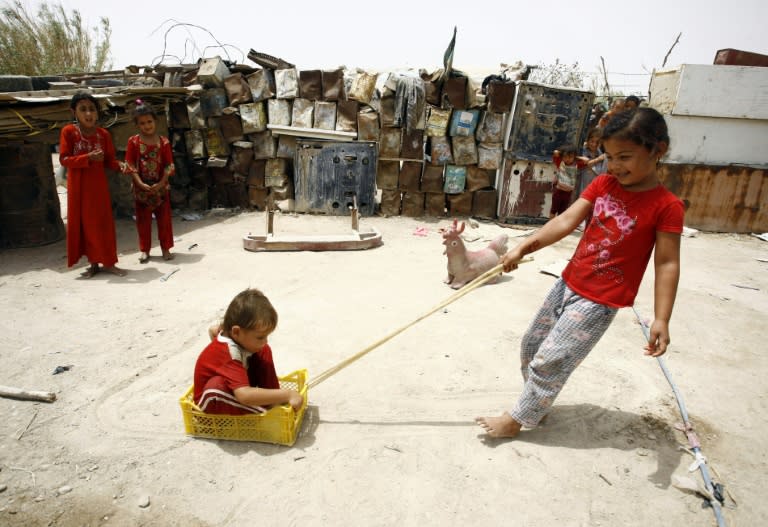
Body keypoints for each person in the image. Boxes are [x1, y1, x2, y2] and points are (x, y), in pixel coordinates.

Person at [476, 107, 685, 438]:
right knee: (532, 345)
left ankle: (516, 420)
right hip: (568, 283)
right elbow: (564, 221)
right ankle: (536, 404)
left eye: (624, 157)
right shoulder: (603, 184)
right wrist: (522, 247)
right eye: (609, 156)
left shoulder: (667, 206)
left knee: (551, 359)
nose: (614, 166)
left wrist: (662, 318)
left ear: (658, 150)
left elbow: (667, 263)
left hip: (600, 300)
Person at [193, 288, 303, 415]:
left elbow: (214, 330)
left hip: (234, 389)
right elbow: (244, 396)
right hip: (211, 405)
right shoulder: (228, 353)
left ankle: (273, 400)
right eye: (260, 337)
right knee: (217, 387)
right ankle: (269, 414)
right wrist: (287, 394)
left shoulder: (231, 333)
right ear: (236, 332)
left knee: (263, 350)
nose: (265, 340)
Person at [59, 91, 131, 278]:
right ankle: (94, 264)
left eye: (92, 109)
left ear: (97, 113)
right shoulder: (69, 132)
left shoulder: (103, 135)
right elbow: (65, 160)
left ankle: (110, 262)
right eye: (83, 109)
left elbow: (109, 161)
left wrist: (121, 166)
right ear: (74, 112)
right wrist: (87, 158)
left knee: (103, 224)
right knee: (85, 226)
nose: (88, 114)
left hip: (98, 189)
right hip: (78, 189)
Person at [124, 99, 175, 263]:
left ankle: (165, 248)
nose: (147, 126)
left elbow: (169, 165)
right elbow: (130, 164)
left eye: (149, 121)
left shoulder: (164, 142)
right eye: (142, 123)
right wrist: (139, 183)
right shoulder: (133, 142)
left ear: (155, 121)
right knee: (143, 222)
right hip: (141, 189)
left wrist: (161, 182)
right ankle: (145, 250)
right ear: (137, 125)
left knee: (164, 220)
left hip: (161, 188)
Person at [549, 144, 595, 219]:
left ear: (574, 157)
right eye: (565, 157)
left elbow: (586, 160)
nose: (567, 159)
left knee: (562, 212)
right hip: (558, 191)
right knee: (553, 210)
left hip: (568, 193)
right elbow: (555, 152)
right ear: (562, 157)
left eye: (570, 157)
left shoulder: (576, 164)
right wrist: (564, 153)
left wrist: (575, 157)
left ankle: (558, 227)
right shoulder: (560, 162)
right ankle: (550, 224)